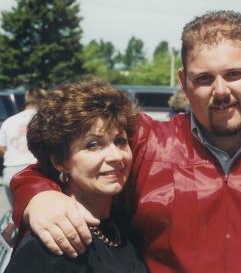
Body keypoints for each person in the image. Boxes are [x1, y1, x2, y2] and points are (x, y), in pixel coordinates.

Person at [11, 11, 241, 272]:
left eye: (234, 74)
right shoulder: (146, 143)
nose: (221, 90)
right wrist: (40, 198)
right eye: (203, 78)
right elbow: (52, 166)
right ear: (183, 82)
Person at [5, 77, 146, 272]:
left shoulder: (120, 222)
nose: (115, 156)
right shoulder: (55, 240)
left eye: (120, 141)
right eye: (93, 145)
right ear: (59, 161)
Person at [0, 87, 46, 206]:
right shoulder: (45, 120)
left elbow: (1, 148)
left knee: (17, 215)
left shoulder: (8, 121)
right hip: (36, 171)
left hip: (10, 173)